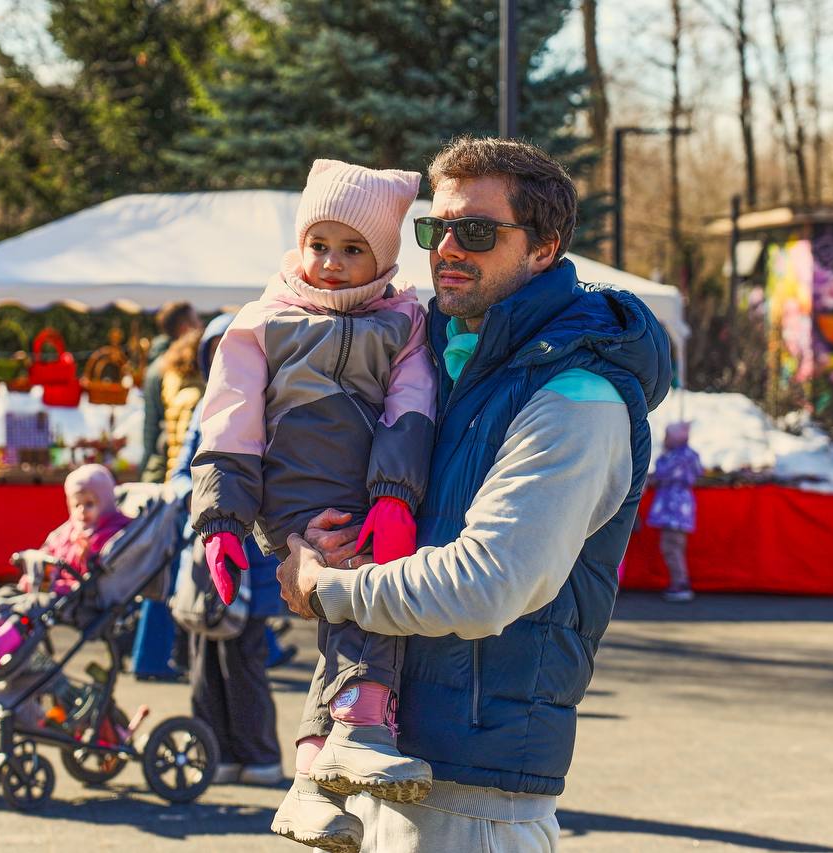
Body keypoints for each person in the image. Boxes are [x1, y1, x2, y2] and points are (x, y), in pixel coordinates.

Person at [277, 136, 671, 852]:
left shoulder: (579, 395)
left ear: (545, 247)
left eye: (479, 232)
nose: (448, 248)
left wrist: (329, 588)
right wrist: (311, 537)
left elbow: (486, 585)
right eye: (437, 228)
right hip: (380, 765)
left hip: (473, 801)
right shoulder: (440, 362)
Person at [188, 160, 436, 850]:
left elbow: (409, 407)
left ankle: (310, 780)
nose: (330, 262)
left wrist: (394, 495)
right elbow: (229, 419)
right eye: (319, 244)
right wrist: (221, 518)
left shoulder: (403, 321)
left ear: (383, 258)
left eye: (353, 249)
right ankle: (360, 727)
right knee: (367, 598)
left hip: (363, 490)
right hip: (292, 489)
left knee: (349, 612)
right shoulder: (263, 320)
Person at [170, 311, 288, 785]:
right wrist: (194, 498)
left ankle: (258, 756)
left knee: (243, 663)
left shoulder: (274, 411)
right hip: (206, 562)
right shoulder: (206, 413)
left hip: (252, 562)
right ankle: (215, 751)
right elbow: (181, 473)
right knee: (203, 662)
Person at [0, 464, 130, 669]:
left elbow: (96, 570)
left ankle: (0, 644)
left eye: (90, 504)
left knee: (33, 606)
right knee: (6, 593)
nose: (82, 511)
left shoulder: (108, 533)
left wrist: (85, 553)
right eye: (76, 505)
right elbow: (50, 552)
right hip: (53, 587)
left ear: (105, 503)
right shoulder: (69, 531)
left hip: (79, 599)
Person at [142, 301, 200, 483]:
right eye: (197, 321)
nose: (201, 326)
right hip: (171, 457)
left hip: (166, 458)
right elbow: (153, 424)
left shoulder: (156, 367)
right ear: (185, 328)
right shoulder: (175, 369)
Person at [647, 421, 703, 602]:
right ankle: (679, 582)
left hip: (673, 511)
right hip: (682, 510)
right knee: (676, 546)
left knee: (671, 547)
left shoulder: (675, 458)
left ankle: (680, 584)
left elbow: (661, 475)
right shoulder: (690, 456)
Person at [160, 328, 206, 476]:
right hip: (186, 482)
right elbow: (186, 446)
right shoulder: (195, 396)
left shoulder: (177, 389)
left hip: (175, 476)